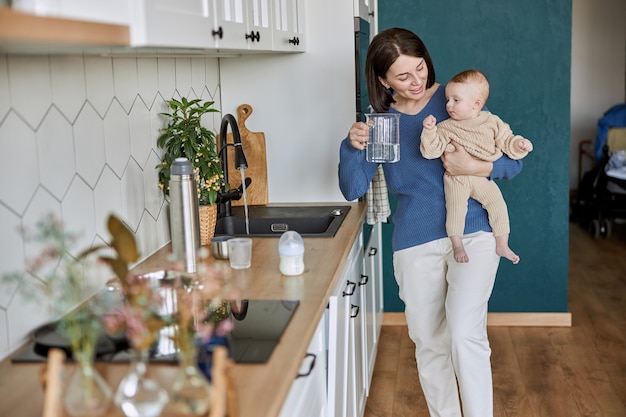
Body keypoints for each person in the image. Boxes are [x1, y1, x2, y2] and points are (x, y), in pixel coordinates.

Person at [338, 28, 523, 417]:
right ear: (383, 81)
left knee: (463, 334)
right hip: (414, 242)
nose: (417, 81)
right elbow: (352, 187)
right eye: (403, 77)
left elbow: (513, 159)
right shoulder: (382, 124)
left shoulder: (455, 99)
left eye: (420, 68)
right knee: (430, 343)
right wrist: (350, 145)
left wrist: (479, 166)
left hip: (474, 231)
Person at [420, 69, 533, 264]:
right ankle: (457, 244)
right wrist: (429, 131)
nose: (448, 104)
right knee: (456, 208)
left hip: (482, 178)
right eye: (448, 99)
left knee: (497, 204)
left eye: (456, 100)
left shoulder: (492, 122)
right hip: (456, 179)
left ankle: (502, 243)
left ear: (477, 104)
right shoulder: (446, 127)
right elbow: (431, 150)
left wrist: (520, 144)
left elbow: (507, 141)